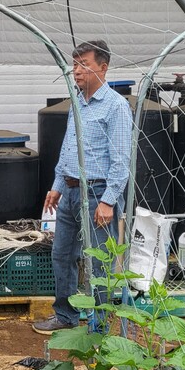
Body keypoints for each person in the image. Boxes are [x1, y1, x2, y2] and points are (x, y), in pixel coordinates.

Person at [32, 40, 132, 335]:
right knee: (62, 254)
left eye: (84, 64)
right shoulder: (78, 102)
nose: (76, 71)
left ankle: (99, 324)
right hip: (71, 191)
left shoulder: (116, 107)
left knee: (99, 261)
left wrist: (110, 201)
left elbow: (121, 158)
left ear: (103, 67)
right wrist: (58, 184)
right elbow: (70, 149)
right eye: (74, 64)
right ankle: (66, 314)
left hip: (98, 193)